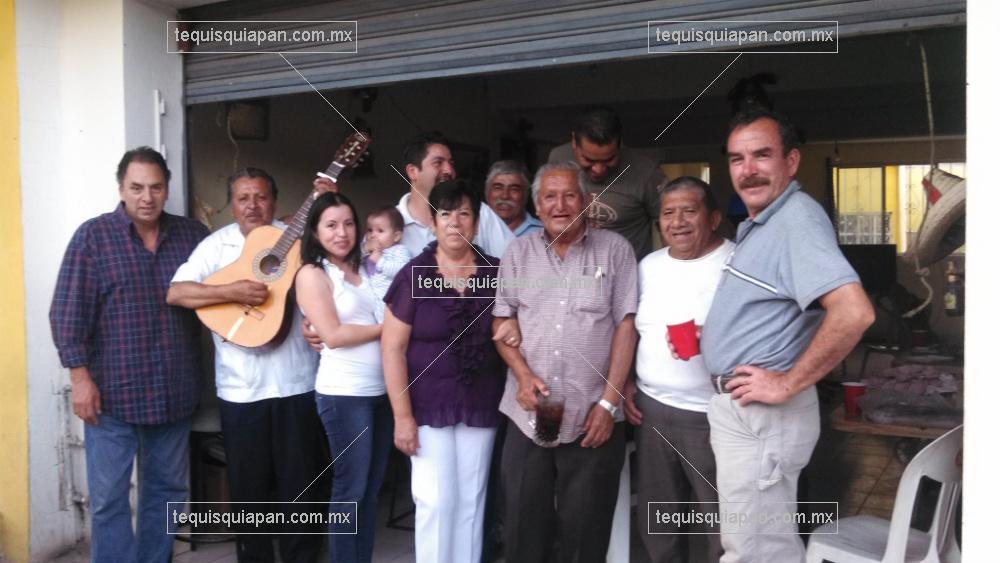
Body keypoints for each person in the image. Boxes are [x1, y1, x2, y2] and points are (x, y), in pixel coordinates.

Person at [700, 108, 875, 562]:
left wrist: (787, 383)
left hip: (764, 415)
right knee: (759, 544)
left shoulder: (795, 220)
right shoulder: (765, 223)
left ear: (791, 161)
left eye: (762, 155)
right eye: (737, 159)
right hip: (747, 414)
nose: (748, 170)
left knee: (757, 551)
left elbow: (854, 312)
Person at [49, 147, 208, 562]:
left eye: (155, 187)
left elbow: (226, 290)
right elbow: (67, 313)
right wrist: (80, 380)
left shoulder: (193, 237)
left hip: (173, 393)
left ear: (167, 188)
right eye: (136, 188)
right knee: (108, 499)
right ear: (121, 189)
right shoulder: (93, 238)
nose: (147, 197)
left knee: (167, 493)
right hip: (110, 398)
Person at [166, 167, 328, 562]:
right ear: (232, 204)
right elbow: (176, 293)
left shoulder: (299, 240)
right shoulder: (215, 246)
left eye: (261, 197)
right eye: (243, 198)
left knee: (302, 486)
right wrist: (231, 291)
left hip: (297, 382)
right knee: (249, 489)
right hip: (240, 389)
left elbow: (332, 284)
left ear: (274, 201)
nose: (252, 206)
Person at [492, 161, 638, 563]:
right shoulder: (518, 253)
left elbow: (626, 328)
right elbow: (502, 322)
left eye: (570, 195)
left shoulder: (616, 251)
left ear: (587, 201)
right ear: (537, 206)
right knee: (523, 531)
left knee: (585, 536)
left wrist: (609, 403)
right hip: (527, 416)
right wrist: (522, 375)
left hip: (593, 417)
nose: (560, 205)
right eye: (550, 197)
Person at [381, 180, 506, 563]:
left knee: (471, 500)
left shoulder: (495, 272)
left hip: (480, 402)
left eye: (464, 213)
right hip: (426, 405)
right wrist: (402, 417)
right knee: (435, 500)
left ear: (477, 222)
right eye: (446, 214)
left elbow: (512, 327)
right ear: (433, 223)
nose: (455, 222)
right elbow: (392, 348)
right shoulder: (413, 275)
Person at [623, 176, 731, 562]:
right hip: (652, 411)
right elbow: (631, 329)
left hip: (712, 414)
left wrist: (712, 337)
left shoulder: (736, 263)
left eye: (689, 211)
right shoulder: (648, 266)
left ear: (713, 218)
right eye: (669, 213)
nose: (678, 222)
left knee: (722, 524)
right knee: (660, 520)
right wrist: (628, 381)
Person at [295, 192, 392, 563]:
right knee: (350, 491)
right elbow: (333, 335)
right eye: (331, 225)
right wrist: (388, 329)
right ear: (315, 232)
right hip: (344, 395)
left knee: (370, 492)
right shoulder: (313, 274)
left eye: (349, 223)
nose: (342, 232)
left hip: (381, 392)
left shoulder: (366, 268)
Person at [548, 107, 665, 259]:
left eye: (609, 159)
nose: (598, 169)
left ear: (620, 144)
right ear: (574, 143)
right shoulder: (558, 160)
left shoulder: (647, 172)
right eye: (588, 160)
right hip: (573, 267)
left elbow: (667, 224)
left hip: (627, 268)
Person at [396, 131, 514, 257]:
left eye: (451, 163)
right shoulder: (388, 223)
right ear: (412, 172)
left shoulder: (479, 211)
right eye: (438, 162)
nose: (449, 170)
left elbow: (516, 261)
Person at [362, 205, 412, 322]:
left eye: (380, 231)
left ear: (396, 236)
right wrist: (365, 248)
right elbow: (354, 259)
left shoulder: (399, 251)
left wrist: (380, 261)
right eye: (370, 230)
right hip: (371, 302)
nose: (373, 235)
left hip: (391, 302)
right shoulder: (368, 250)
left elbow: (402, 272)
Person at [484, 159, 542, 237]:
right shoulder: (473, 232)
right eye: (498, 188)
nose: (505, 196)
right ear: (487, 193)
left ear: (525, 195)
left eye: (514, 189)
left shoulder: (544, 234)